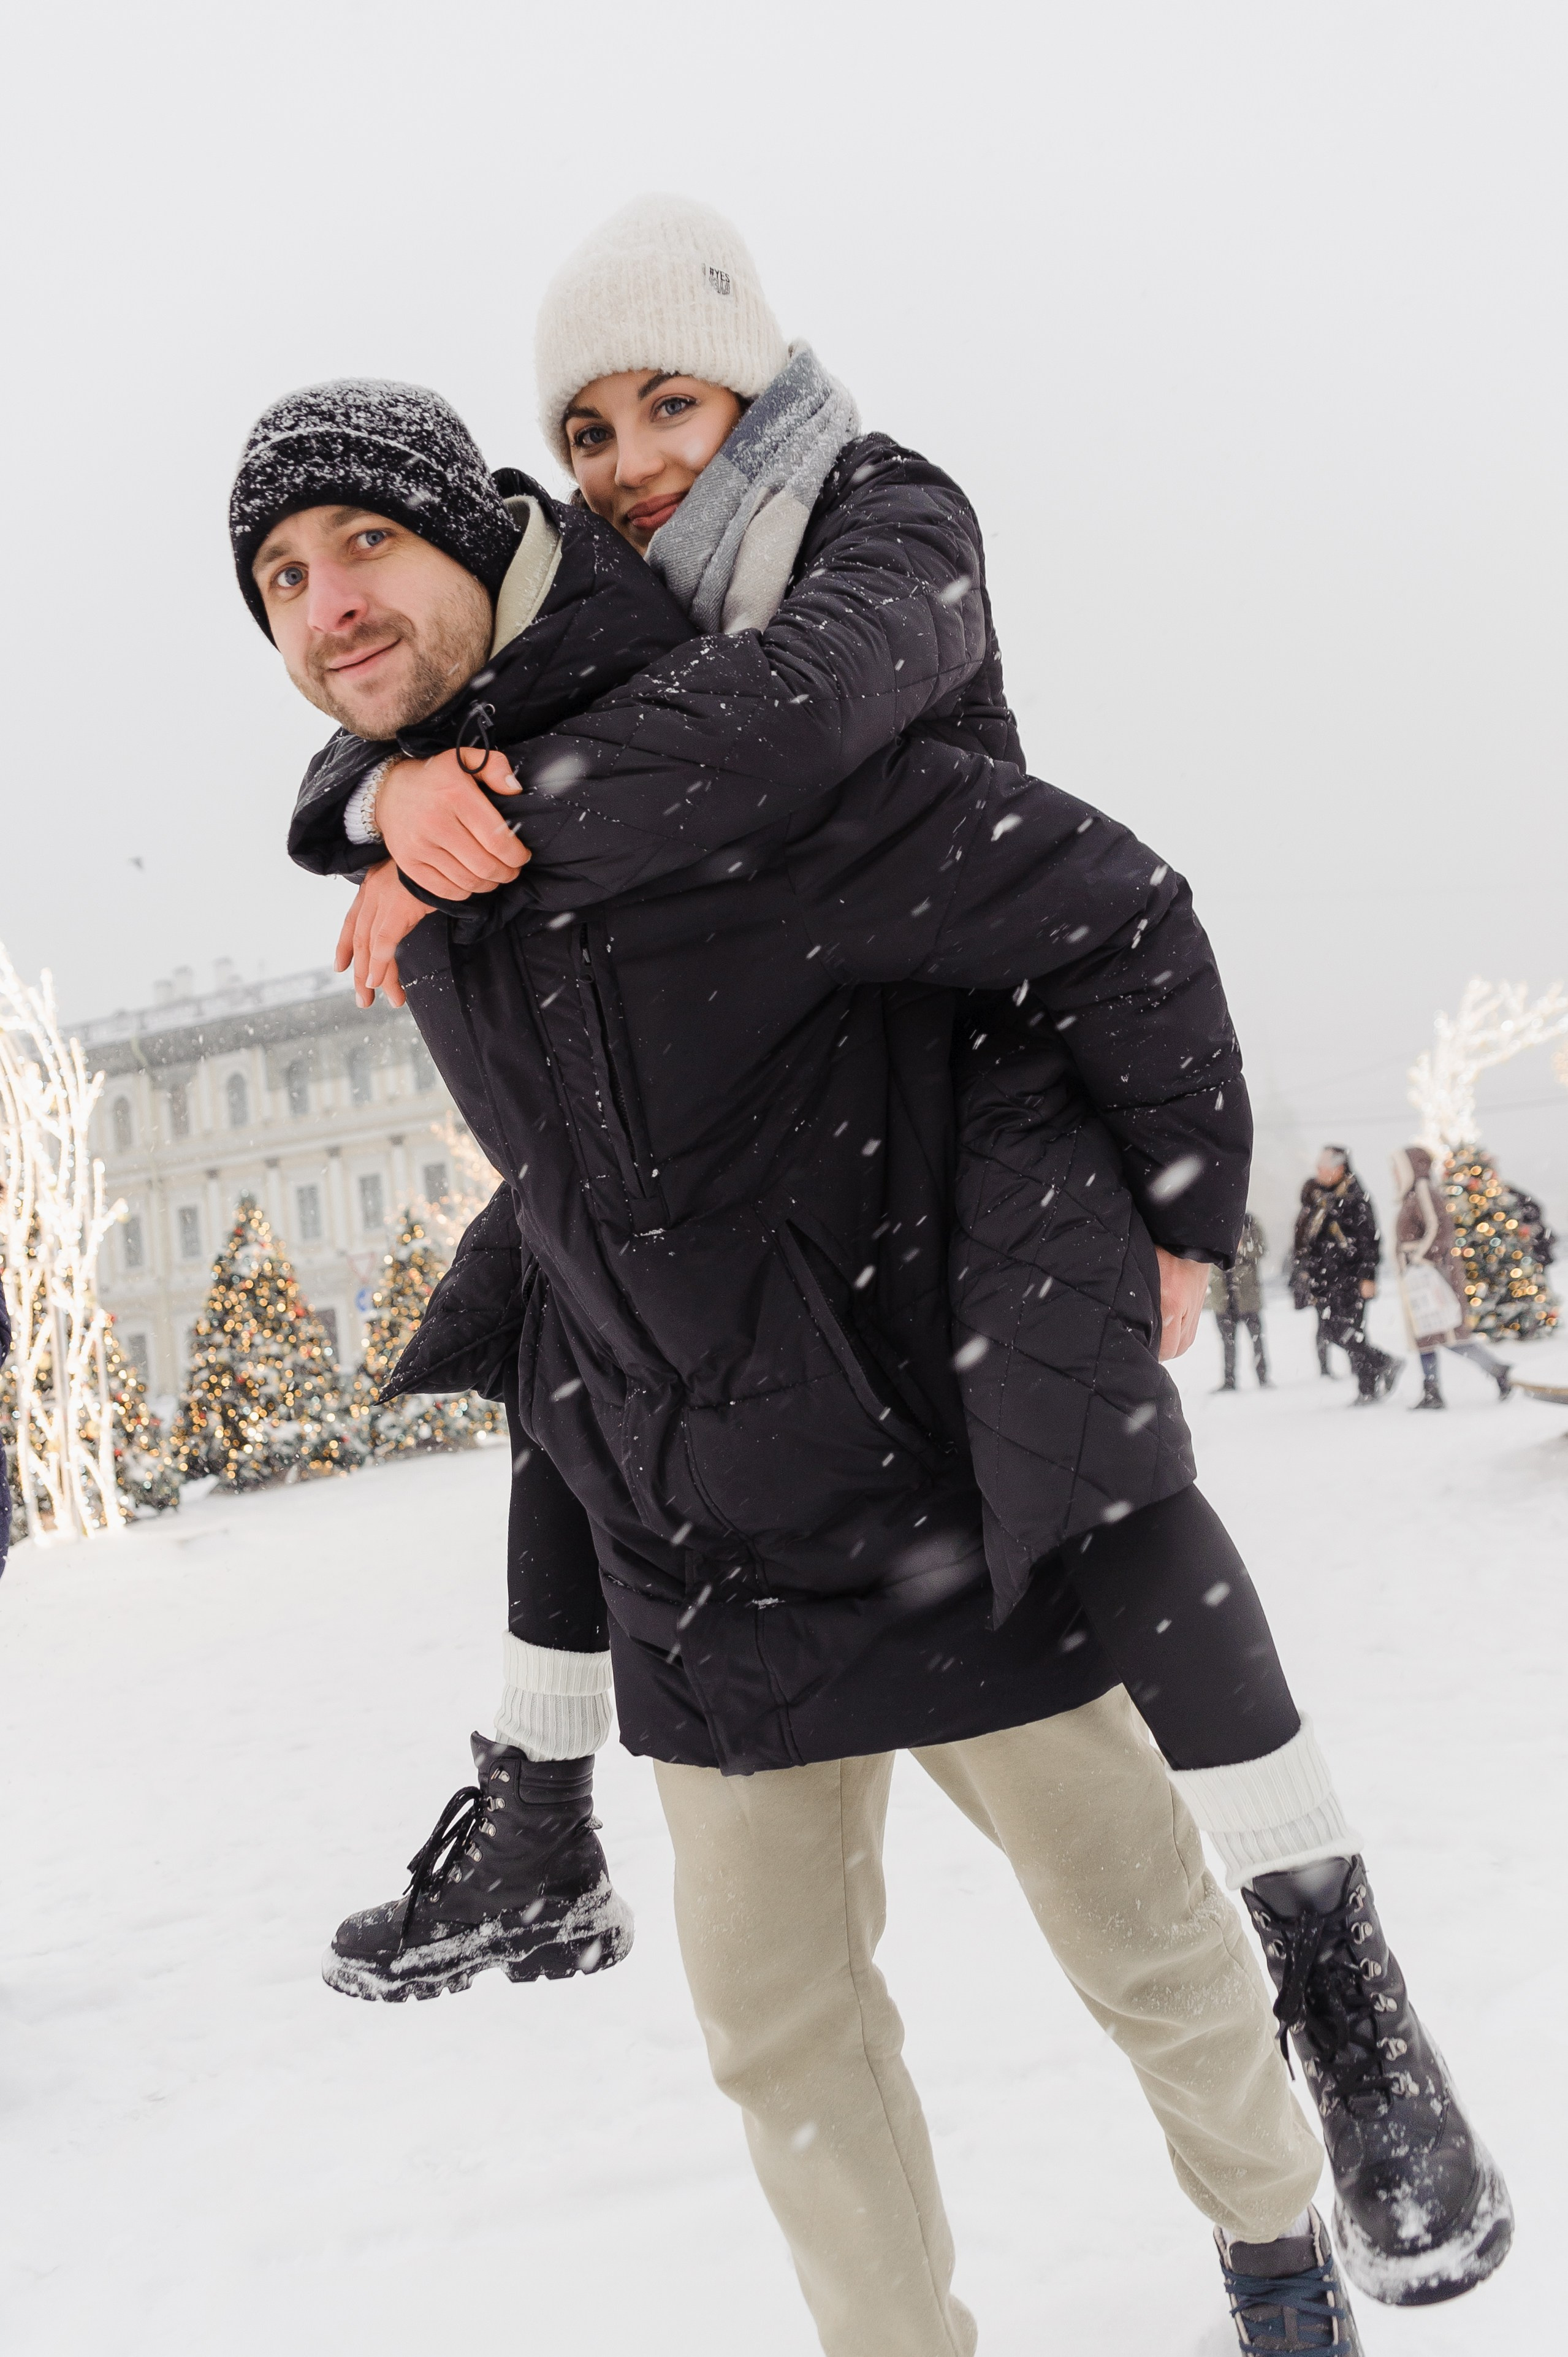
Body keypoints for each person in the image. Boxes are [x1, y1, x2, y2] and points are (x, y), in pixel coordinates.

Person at [233, 200, 1509, 2337]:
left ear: (487, 533)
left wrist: (1183, 1203)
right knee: (783, 2054)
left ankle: (1283, 2255)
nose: (327, 603)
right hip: (694, 1569)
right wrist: (379, 813)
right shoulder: (413, 835)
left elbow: (1102, 901)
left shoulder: (755, 734)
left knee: (1148, 1958)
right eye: (279, 580)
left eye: (363, 543)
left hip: (934, 1501)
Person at [1393, 1146, 1513, 1409]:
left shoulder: (1423, 1190)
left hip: (1432, 1277)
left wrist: (1419, 1259)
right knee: (1427, 1334)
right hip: (1419, 1278)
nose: (1393, 1173)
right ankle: (1432, 1391)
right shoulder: (1412, 1194)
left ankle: (1496, 1370)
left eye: (1397, 1167)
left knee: (1446, 1334)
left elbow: (1440, 1229)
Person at [1290, 1148, 1399, 1402]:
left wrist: (1367, 1276)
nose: (1318, 1170)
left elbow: (1369, 1240)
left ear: (1339, 1168)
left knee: (1347, 1331)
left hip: (1350, 1278)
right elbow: (1306, 1239)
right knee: (1337, 1330)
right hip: (1325, 1279)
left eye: (1324, 1165)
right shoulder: (1318, 1198)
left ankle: (1378, 1370)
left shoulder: (1355, 1197)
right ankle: (1372, 1380)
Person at [1208, 1209, 1269, 1389]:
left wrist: (1242, 1247)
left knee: (1257, 1339)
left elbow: (1261, 1250)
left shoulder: (1250, 1222)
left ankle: (1263, 1378)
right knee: (1227, 1343)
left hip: (1247, 1296)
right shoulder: (1212, 1223)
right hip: (1223, 1297)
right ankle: (1229, 1380)